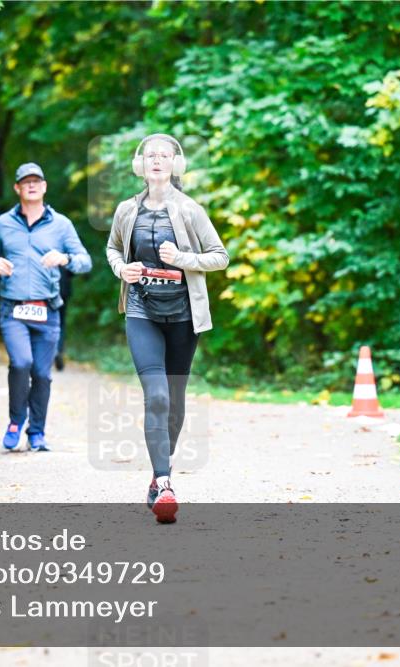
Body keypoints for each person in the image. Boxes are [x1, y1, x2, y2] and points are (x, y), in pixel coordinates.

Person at [106, 134, 229, 524]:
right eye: (150, 156)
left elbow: (220, 257)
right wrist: (121, 269)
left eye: (164, 155)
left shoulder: (190, 210)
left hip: (182, 317)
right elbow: (112, 248)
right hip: (141, 310)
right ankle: (163, 482)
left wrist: (182, 258)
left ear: (176, 164)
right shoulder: (127, 210)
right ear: (140, 165)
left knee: (174, 400)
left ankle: (163, 467)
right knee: (156, 396)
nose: (157, 161)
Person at [0, 163, 92, 452]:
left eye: (36, 181)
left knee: (42, 374)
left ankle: (37, 433)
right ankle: (16, 420)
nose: (31, 185)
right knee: (21, 363)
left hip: (48, 310)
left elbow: (85, 261)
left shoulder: (61, 225)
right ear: (17, 188)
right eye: (25, 181)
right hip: (13, 309)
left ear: (44, 187)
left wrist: (65, 259)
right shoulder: (2, 223)